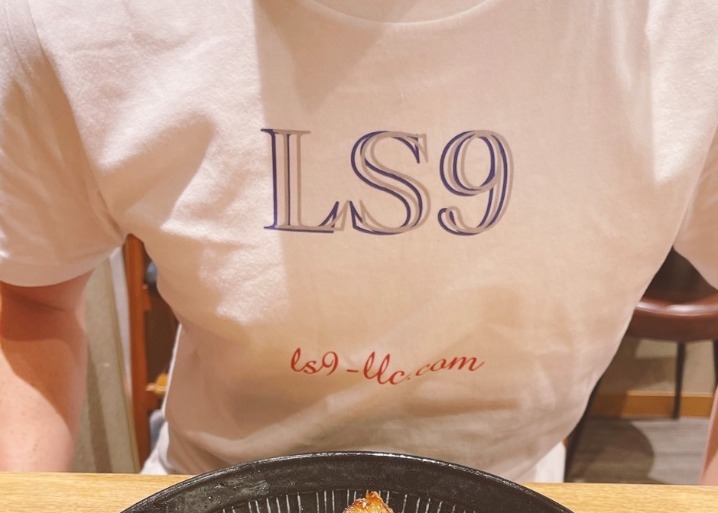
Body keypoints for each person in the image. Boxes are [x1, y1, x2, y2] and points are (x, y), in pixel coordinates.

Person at [2, 0, 718, 482]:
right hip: (210, 503)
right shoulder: (72, 21)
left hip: (517, 510)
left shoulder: (691, 31)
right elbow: (26, 298)